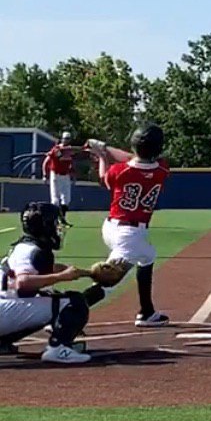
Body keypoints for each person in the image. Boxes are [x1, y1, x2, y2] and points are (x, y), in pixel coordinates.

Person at [85, 123, 171, 327]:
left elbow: (105, 177)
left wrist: (103, 154)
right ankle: (63, 311)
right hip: (129, 236)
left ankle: (147, 311)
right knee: (108, 281)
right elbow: (134, 158)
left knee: (148, 256)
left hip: (113, 227)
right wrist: (105, 149)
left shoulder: (120, 171)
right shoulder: (162, 169)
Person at [0, 202, 106, 363]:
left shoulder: (26, 246)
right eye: (55, 223)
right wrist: (62, 276)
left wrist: (88, 273)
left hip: (5, 309)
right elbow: (23, 283)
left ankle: (3, 343)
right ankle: (57, 349)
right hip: (4, 312)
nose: (58, 228)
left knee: (46, 299)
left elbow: (48, 269)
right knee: (73, 302)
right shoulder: (33, 251)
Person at [42, 132, 78, 226]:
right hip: (56, 175)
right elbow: (46, 162)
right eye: (65, 138)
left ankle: (62, 218)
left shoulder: (70, 150)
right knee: (55, 200)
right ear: (62, 139)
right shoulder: (57, 149)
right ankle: (53, 220)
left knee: (66, 199)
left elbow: (70, 164)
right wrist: (45, 175)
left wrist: (73, 175)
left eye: (68, 138)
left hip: (65, 176)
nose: (66, 140)